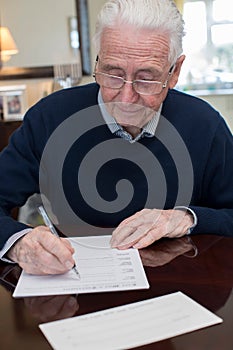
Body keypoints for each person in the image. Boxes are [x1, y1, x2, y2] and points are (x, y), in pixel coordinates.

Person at [0, 0, 232, 275]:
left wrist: (186, 218)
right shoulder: (48, 118)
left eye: (146, 79)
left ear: (175, 72)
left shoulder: (206, 126)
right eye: (113, 74)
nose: (126, 98)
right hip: (73, 291)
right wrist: (17, 242)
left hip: (180, 291)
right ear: (98, 60)